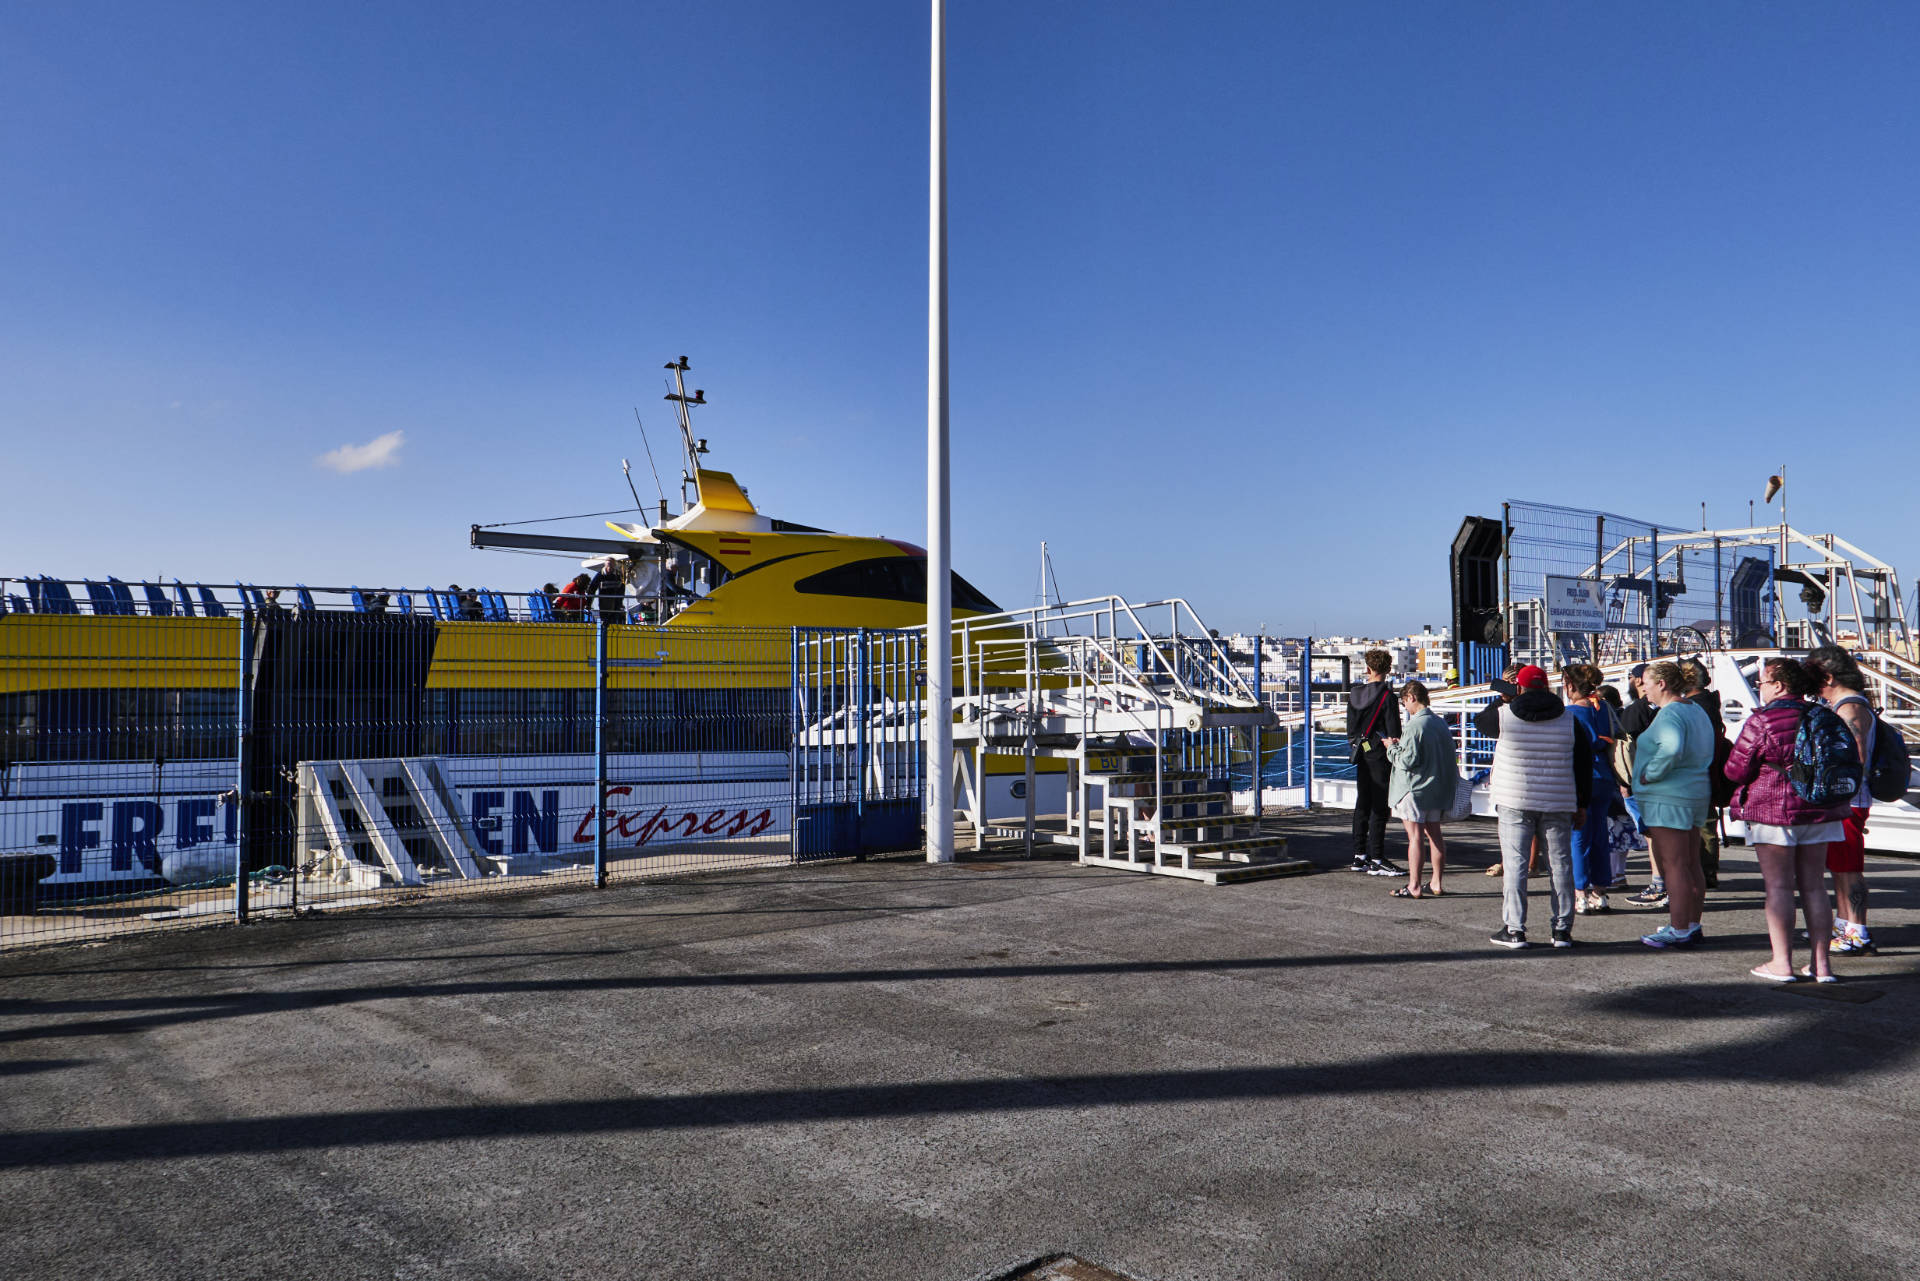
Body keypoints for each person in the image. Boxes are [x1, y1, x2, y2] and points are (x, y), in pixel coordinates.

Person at [1724, 656, 1845, 982]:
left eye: (1761, 682)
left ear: (1778, 685)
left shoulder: (1762, 721)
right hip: (1819, 810)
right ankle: (1822, 966)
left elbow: (1735, 770)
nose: (1759, 687)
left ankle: (1782, 963)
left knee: (1778, 887)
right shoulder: (1822, 715)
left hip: (1774, 811)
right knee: (1815, 887)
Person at [1474, 664, 1592, 949]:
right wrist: (1582, 804)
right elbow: (1583, 763)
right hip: (1558, 799)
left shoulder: (1504, 715)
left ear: (1520, 687)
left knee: (1515, 866)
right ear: (1547, 686)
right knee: (1560, 866)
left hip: (1514, 800)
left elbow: (1480, 721)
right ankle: (1562, 930)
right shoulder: (1568, 719)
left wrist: (1504, 698)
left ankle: (1515, 930)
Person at [1632, 660, 1716, 949]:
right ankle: (1690, 923)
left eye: (1646, 682)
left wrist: (1649, 773)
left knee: (1675, 864)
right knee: (1691, 862)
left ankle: (1679, 928)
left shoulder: (1670, 715)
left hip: (1669, 796)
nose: (1643, 687)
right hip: (1694, 792)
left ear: (1662, 684)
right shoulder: (1696, 710)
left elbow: (1671, 748)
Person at [1804, 646, 1878, 955]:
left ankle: (1857, 931)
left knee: (1848, 868)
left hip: (1848, 799)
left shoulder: (1848, 709)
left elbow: (1855, 754)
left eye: (1815, 679)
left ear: (1829, 677)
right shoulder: (1848, 705)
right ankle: (1845, 925)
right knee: (1840, 866)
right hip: (1848, 798)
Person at [1384, 680, 1457, 898]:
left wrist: (1392, 747)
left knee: (1415, 837)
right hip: (1436, 788)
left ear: (1412, 698)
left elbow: (1407, 761)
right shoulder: (1440, 723)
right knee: (1435, 835)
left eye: (1405, 702)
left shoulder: (1416, 725)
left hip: (1414, 789)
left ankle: (1414, 885)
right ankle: (1436, 882)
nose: (1405, 708)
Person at [1561, 663, 1618, 914]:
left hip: (1581, 778)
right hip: (1605, 776)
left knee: (1578, 837)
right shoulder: (1603, 708)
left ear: (1570, 686)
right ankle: (1600, 891)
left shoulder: (1569, 713)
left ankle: (1580, 893)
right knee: (1600, 836)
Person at [1345, 648, 1401, 877]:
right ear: (1388, 670)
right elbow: (1394, 731)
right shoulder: (1387, 697)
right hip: (1380, 754)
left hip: (1361, 752)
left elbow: (1350, 730)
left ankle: (1359, 856)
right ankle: (1377, 857)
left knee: (1362, 803)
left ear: (1367, 669)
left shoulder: (1354, 694)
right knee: (1380, 806)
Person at [1618, 663, 1665, 906]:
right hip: (1670, 782)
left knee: (1652, 834)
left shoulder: (1635, 712)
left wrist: (1624, 780)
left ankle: (1660, 884)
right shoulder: (1677, 710)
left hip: (1645, 782)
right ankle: (1672, 884)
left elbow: (1624, 747)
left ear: (1638, 680)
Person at [1680, 657, 1725, 890]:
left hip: (1699, 770)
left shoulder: (1696, 705)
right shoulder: (1709, 702)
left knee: (1704, 823)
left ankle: (1706, 870)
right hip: (1710, 768)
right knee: (1706, 822)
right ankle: (1708, 868)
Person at [591, 560, 626, 626]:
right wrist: (589, 603)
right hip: (604, 603)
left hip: (616, 602)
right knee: (604, 621)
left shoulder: (617, 575)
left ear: (614, 566)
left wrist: (620, 602)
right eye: (608, 565)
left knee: (615, 620)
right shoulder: (600, 575)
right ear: (605, 565)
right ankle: (604, 631)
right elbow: (592, 588)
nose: (610, 567)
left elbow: (622, 588)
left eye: (611, 565)